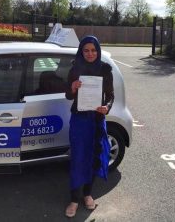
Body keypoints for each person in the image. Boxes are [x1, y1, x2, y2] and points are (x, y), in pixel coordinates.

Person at [64, 36, 114, 218]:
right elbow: (69, 96)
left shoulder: (105, 69)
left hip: (96, 120)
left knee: (93, 157)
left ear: (98, 51)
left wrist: (106, 107)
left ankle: (87, 194)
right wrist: (73, 88)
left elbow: (110, 96)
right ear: (81, 51)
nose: (90, 54)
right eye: (86, 50)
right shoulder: (74, 69)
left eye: (93, 50)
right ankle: (74, 199)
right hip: (79, 120)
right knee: (78, 158)